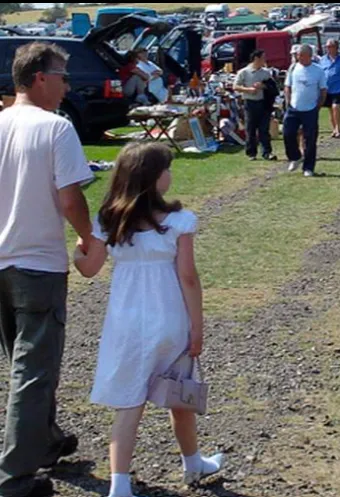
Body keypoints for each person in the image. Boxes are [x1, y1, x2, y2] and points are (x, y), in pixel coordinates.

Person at [73, 142, 224, 497]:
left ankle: (119, 485)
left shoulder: (109, 220)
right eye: (167, 169)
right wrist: (197, 327)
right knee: (179, 394)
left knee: (129, 401)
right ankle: (193, 462)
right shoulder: (177, 222)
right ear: (155, 178)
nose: (170, 174)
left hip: (126, 322)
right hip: (169, 318)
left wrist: (76, 255)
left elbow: (90, 268)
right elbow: (188, 277)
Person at [0, 41, 94, 497]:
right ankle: (16, 479)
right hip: (36, 263)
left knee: (25, 364)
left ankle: (45, 441)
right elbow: (70, 197)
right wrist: (90, 236)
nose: (67, 85)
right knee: (32, 370)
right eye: (62, 75)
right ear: (39, 77)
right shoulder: (56, 129)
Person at [284, 45, 327, 177]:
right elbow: (287, 86)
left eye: (301, 55)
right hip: (294, 107)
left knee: (310, 139)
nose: (299, 58)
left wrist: (317, 106)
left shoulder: (318, 71)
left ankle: (308, 167)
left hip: (310, 109)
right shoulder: (293, 68)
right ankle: (295, 156)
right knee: (288, 133)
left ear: (309, 56)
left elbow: (323, 90)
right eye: (297, 55)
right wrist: (288, 101)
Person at [233, 50, 277, 161]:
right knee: (250, 129)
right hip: (250, 103)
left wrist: (263, 86)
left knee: (264, 129)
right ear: (256, 59)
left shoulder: (266, 72)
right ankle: (251, 153)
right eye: (262, 58)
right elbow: (235, 86)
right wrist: (248, 90)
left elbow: (272, 87)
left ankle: (267, 152)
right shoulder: (244, 72)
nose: (264, 60)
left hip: (263, 103)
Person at [319, 39, 340, 139]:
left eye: (330, 46)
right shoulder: (322, 60)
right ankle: (334, 128)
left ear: (336, 47)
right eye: (327, 47)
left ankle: (338, 129)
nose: (328, 49)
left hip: (338, 88)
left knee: (335, 107)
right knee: (330, 109)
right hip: (326, 89)